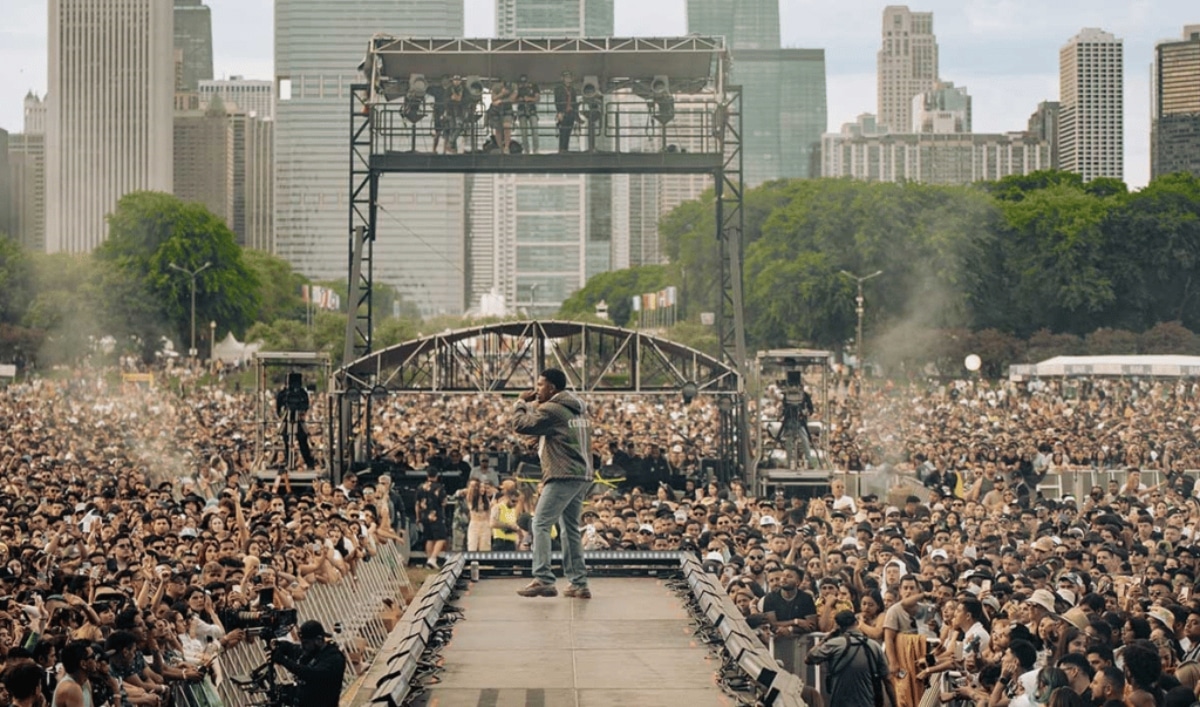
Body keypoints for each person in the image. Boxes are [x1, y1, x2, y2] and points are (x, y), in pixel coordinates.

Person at [511, 368, 593, 598]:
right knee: (570, 529)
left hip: (562, 474)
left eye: (540, 384)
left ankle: (544, 578)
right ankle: (579, 583)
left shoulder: (552, 409)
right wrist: (541, 440)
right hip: (581, 475)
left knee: (540, 523)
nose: (536, 389)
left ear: (552, 388)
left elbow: (520, 424)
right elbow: (562, 435)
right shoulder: (578, 410)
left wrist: (520, 402)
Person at [807, 610, 894, 707]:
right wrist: (895, 704)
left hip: (840, 703)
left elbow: (809, 658)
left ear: (838, 626)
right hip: (867, 703)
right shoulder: (873, 646)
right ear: (856, 623)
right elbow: (888, 680)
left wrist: (827, 638)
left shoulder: (834, 645)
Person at [271, 620, 346, 707]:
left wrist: (284, 661)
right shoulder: (313, 652)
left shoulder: (334, 658)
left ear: (318, 640)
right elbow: (295, 650)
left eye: (306, 643)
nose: (303, 646)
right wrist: (281, 645)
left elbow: (311, 674)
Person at [275, 372, 315, 470]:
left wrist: (301, 412)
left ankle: (309, 462)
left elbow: (305, 406)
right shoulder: (283, 393)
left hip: (299, 421)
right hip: (287, 420)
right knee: (287, 441)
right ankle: (289, 461)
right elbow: (278, 407)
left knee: (303, 441)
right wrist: (282, 414)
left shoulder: (302, 393)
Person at [52, 641, 97, 707]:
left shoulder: (85, 682)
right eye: (93, 656)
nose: (96, 659)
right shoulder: (72, 688)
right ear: (83, 664)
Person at [553, 71, 578, 153]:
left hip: (571, 113)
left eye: (569, 77)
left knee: (568, 132)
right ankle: (561, 150)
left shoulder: (573, 90)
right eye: (566, 77)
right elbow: (557, 101)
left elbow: (575, 102)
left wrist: (576, 115)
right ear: (563, 79)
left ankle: (566, 150)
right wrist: (559, 112)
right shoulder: (558, 89)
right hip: (563, 112)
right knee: (563, 132)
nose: (568, 79)